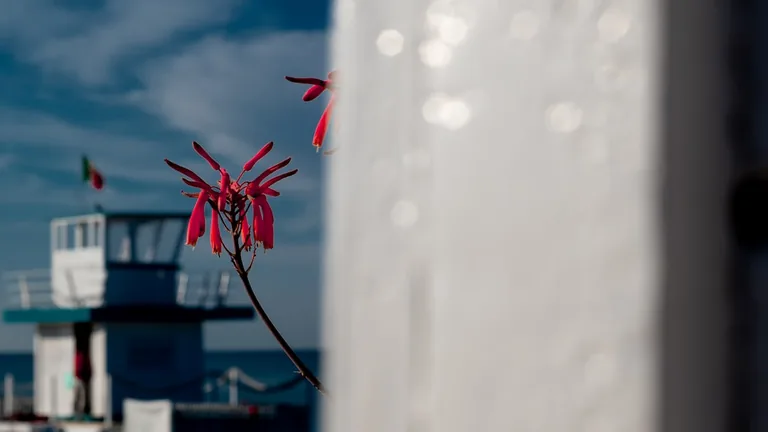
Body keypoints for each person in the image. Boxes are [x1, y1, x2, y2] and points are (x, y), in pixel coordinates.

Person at [73, 349, 91, 418]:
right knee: (79, 396)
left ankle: (80, 412)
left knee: (80, 397)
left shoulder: (82, 356)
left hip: (80, 378)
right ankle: (78, 412)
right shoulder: (80, 356)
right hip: (78, 378)